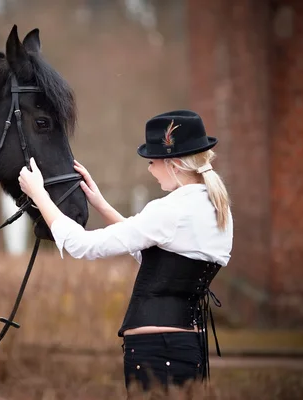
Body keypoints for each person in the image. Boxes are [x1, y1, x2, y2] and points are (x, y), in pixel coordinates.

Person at [18, 110, 233, 392]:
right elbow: (154, 251)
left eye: (153, 161)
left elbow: (84, 246)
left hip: (155, 352)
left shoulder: (170, 210)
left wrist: (40, 196)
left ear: (174, 164)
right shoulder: (218, 209)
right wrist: (102, 205)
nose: (149, 169)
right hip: (187, 348)